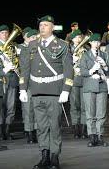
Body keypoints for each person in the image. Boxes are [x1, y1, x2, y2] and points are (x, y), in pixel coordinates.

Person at [19, 15, 73, 169]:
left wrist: (66, 90)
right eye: (41, 25)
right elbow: (25, 69)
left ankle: (55, 157)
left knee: (54, 126)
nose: (42, 27)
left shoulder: (62, 45)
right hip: (36, 92)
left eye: (46, 25)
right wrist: (23, 89)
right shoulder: (32, 45)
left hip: (54, 92)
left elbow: (68, 70)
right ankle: (44, 156)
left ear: (52, 27)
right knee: (41, 126)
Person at [80, 33, 109, 147]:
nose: (96, 44)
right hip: (89, 87)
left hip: (102, 86)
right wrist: (92, 70)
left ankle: (100, 136)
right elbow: (82, 71)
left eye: (98, 42)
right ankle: (92, 137)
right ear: (90, 43)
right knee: (90, 114)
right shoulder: (85, 56)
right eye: (94, 42)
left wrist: (105, 66)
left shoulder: (104, 55)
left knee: (101, 114)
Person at [18, 29, 39, 144]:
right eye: (32, 38)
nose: (34, 40)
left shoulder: (40, 50)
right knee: (28, 109)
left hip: (38, 84)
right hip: (29, 84)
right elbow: (24, 71)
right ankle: (29, 132)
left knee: (37, 109)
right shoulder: (25, 52)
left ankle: (36, 131)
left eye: (35, 38)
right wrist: (22, 89)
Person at [0, 24, 19, 140]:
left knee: (11, 107)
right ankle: (1, 131)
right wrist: (3, 70)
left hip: (12, 80)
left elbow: (17, 61)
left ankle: (7, 129)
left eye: (7, 33)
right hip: (1, 81)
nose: (5, 35)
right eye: (2, 33)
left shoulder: (12, 47)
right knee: (1, 107)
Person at [69, 29, 88, 139]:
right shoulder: (68, 50)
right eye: (76, 37)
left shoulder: (85, 49)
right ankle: (76, 129)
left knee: (84, 105)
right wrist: (72, 59)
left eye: (80, 37)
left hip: (84, 79)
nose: (78, 39)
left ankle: (84, 128)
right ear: (72, 39)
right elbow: (64, 64)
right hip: (74, 79)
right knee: (75, 105)